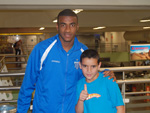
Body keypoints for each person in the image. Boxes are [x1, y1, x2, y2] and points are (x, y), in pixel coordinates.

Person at [17, 9, 116, 113]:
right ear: (57, 27)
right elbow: (27, 85)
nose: (68, 30)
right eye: (63, 25)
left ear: (77, 27)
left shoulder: (83, 51)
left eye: (72, 25)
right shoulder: (42, 50)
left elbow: (90, 74)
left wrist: (105, 73)